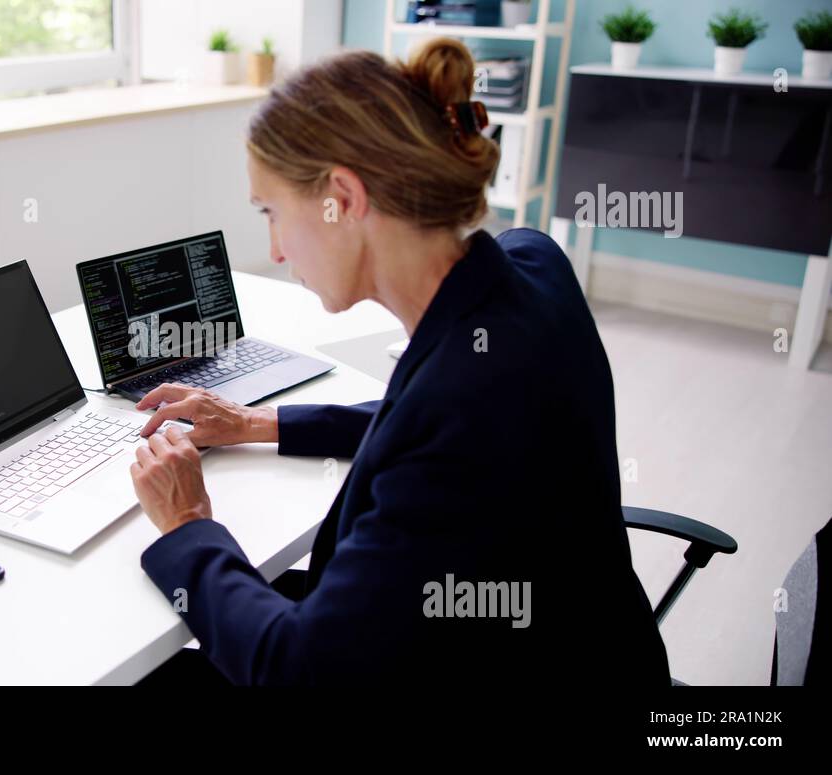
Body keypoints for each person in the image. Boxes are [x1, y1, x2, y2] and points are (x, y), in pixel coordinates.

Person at [126, 38, 670, 686]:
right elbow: (426, 418)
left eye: (272, 212)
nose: (274, 249)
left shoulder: (462, 416)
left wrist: (187, 522)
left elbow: (298, 671)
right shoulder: (531, 263)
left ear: (343, 197)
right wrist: (259, 423)